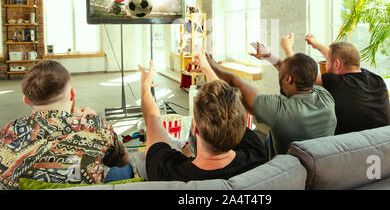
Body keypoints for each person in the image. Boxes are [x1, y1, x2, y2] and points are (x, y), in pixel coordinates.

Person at [0, 60, 131, 190]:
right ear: (72, 94)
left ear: (26, 100)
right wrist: (91, 120)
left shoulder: (7, 132)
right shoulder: (96, 126)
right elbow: (123, 160)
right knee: (124, 167)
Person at [137, 53, 267, 182]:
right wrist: (206, 68)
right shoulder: (256, 152)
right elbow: (227, 103)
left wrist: (145, 88)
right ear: (241, 125)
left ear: (195, 128)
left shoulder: (166, 173)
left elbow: (152, 119)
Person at [207, 37, 336, 159]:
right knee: (268, 140)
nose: (279, 73)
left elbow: (235, 82)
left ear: (288, 79)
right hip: (321, 160)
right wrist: (268, 56)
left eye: (282, 73)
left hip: (289, 172)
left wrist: (212, 67)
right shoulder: (326, 97)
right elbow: (298, 73)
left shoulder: (281, 111)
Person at [303, 34, 390, 135]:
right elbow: (342, 57)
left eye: (327, 62)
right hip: (387, 143)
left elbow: (303, 75)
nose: (326, 65)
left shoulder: (336, 82)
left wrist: (287, 49)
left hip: (354, 148)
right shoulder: (377, 80)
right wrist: (318, 45)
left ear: (337, 64)